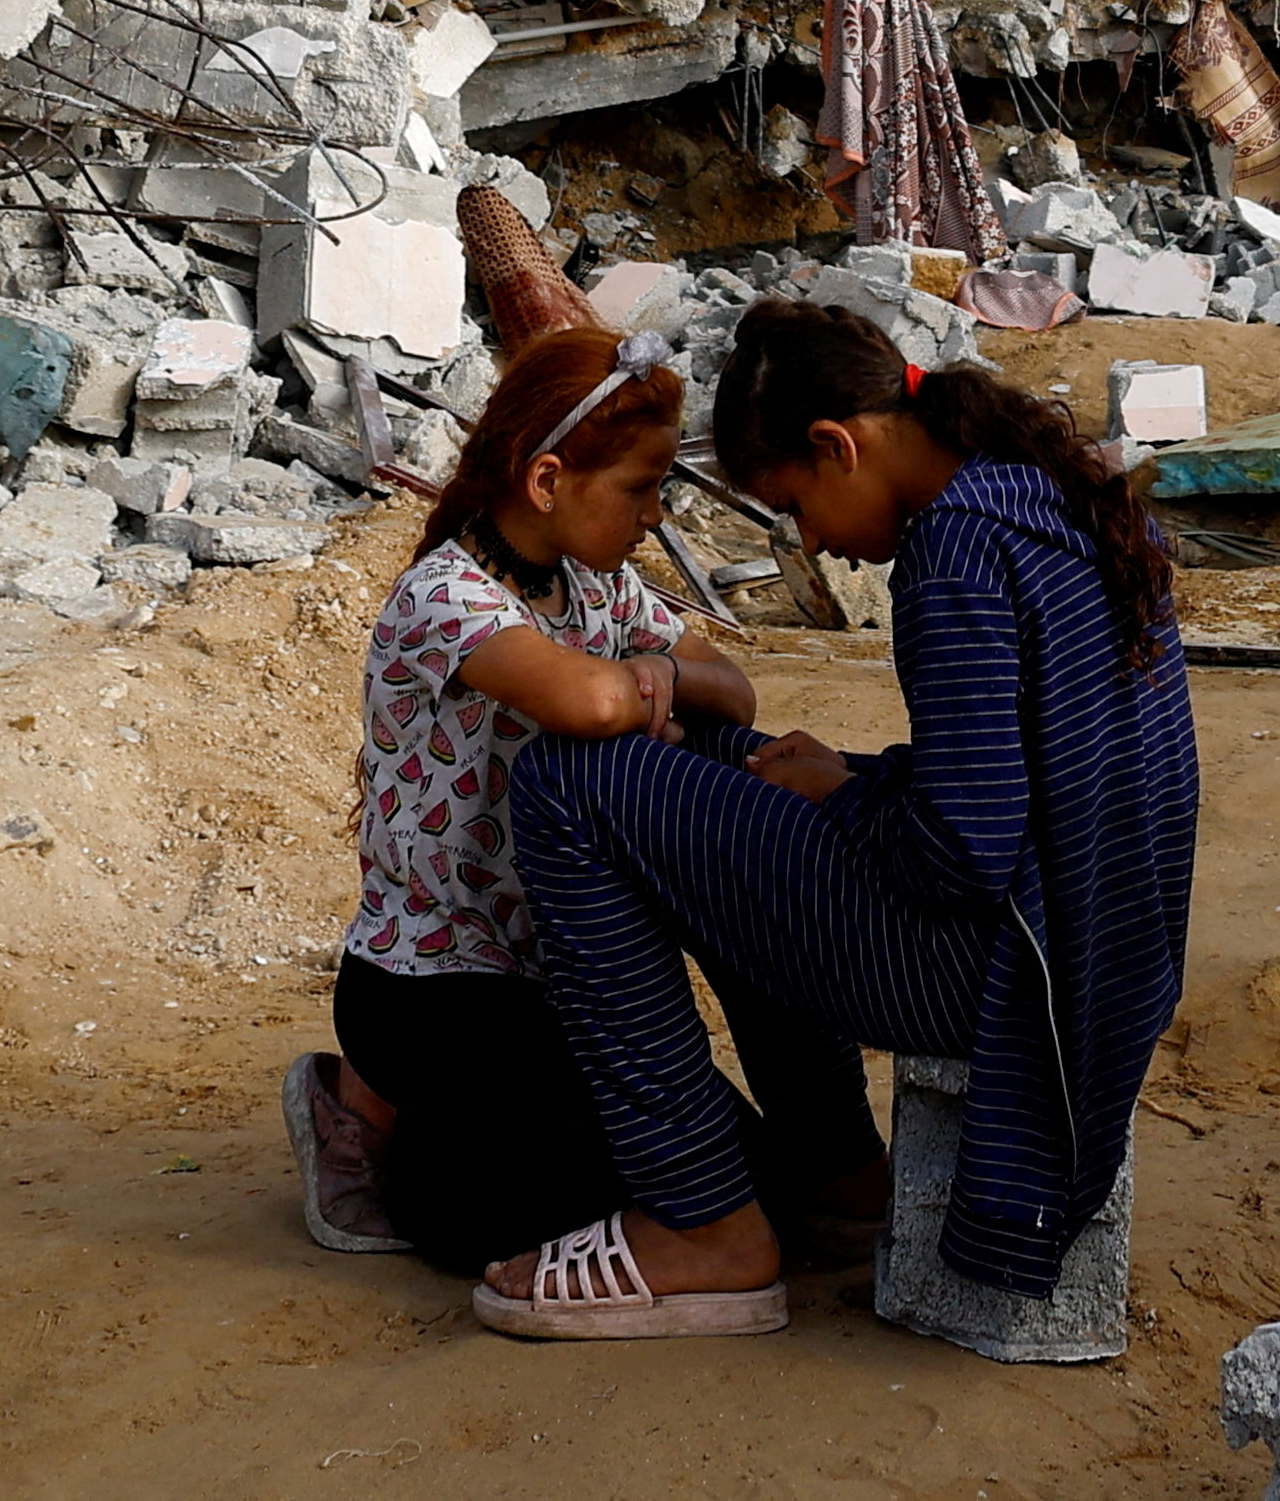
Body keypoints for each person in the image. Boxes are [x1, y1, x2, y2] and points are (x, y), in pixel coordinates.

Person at [468, 298, 1200, 1345]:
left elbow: (960, 854)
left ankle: (704, 1225)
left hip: (1014, 981)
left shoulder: (953, 552)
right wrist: (847, 775)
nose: (812, 540)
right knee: (745, 772)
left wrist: (854, 798)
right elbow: (1032, 781)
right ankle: (845, 1179)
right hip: (1081, 951)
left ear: (837, 445)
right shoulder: (1041, 491)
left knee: (567, 787)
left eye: (797, 506)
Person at [291, 324, 798, 1273]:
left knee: (739, 1180)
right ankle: (360, 1113)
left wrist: (648, 672)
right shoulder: (444, 597)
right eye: (640, 488)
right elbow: (587, 698)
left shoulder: (596, 589)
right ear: (547, 480)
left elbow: (732, 688)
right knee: (513, 1221)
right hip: (429, 979)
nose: (653, 516)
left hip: (559, 976)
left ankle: (408, 1119)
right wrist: (647, 686)